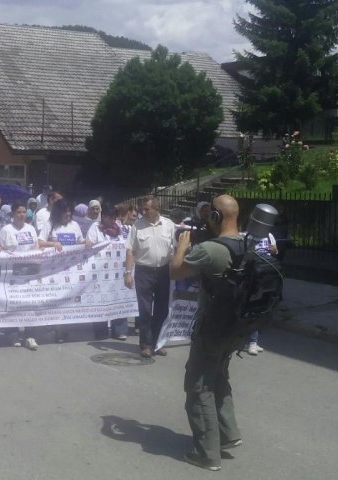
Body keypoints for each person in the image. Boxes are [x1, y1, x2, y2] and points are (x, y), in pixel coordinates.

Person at [170, 194, 244, 472]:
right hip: (236, 329)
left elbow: (176, 272)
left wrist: (182, 246)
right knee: (219, 377)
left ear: (215, 216)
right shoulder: (247, 245)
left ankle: (206, 453)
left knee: (199, 385)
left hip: (211, 328)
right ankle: (227, 434)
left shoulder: (211, 249)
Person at [124, 196, 175, 358]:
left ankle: (157, 343)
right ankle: (146, 344)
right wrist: (128, 273)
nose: (143, 212)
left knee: (161, 310)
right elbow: (130, 250)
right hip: (143, 272)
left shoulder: (169, 225)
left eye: (147, 209)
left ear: (156, 208)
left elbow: (175, 249)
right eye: (142, 209)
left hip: (163, 272)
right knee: (145, 310)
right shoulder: (137, 226)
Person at [0, 200, 42, 350]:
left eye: (24, 212)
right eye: (19, 212)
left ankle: (30, 335)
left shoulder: (31, 229)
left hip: (29, 275)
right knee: (14, 306)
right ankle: (13, 334)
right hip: (12, 276)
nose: (22, 215)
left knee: (30, 305)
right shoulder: (6, 230)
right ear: (13, 214)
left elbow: (36, 248)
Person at [38, 198, 85, 343]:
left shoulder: (75, 225)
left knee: (68, 299)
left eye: (70, 211)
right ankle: (58, 329)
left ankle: (64, 328)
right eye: (65, 211)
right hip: (54, 270)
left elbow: (80, 241)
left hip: (71, 269)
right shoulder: (50, 225)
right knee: (58, 299)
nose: (68, 214)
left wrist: (87, 242)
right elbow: (39, 242)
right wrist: (53, 243)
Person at [86, 203, 128, 340]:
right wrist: (89, 244)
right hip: (100, 271)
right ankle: (100, 330)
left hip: (117, 270)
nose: (111, 220)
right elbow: (90, 243)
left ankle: (119, 330)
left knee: (119, 297)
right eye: (108, 217)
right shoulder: (95, 228)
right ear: (103, 216)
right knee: (100, 299)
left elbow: (125, 244)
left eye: (113, 218)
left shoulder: (119, 229)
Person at [243, 232, 277, 355]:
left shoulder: (269, 236)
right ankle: (252, 341)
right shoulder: (248, 235)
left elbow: (274, 252)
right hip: (252, 277)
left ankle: (253, 341)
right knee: (253, 309)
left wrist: (273, 249)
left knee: (260, 308)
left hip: (266, 277)